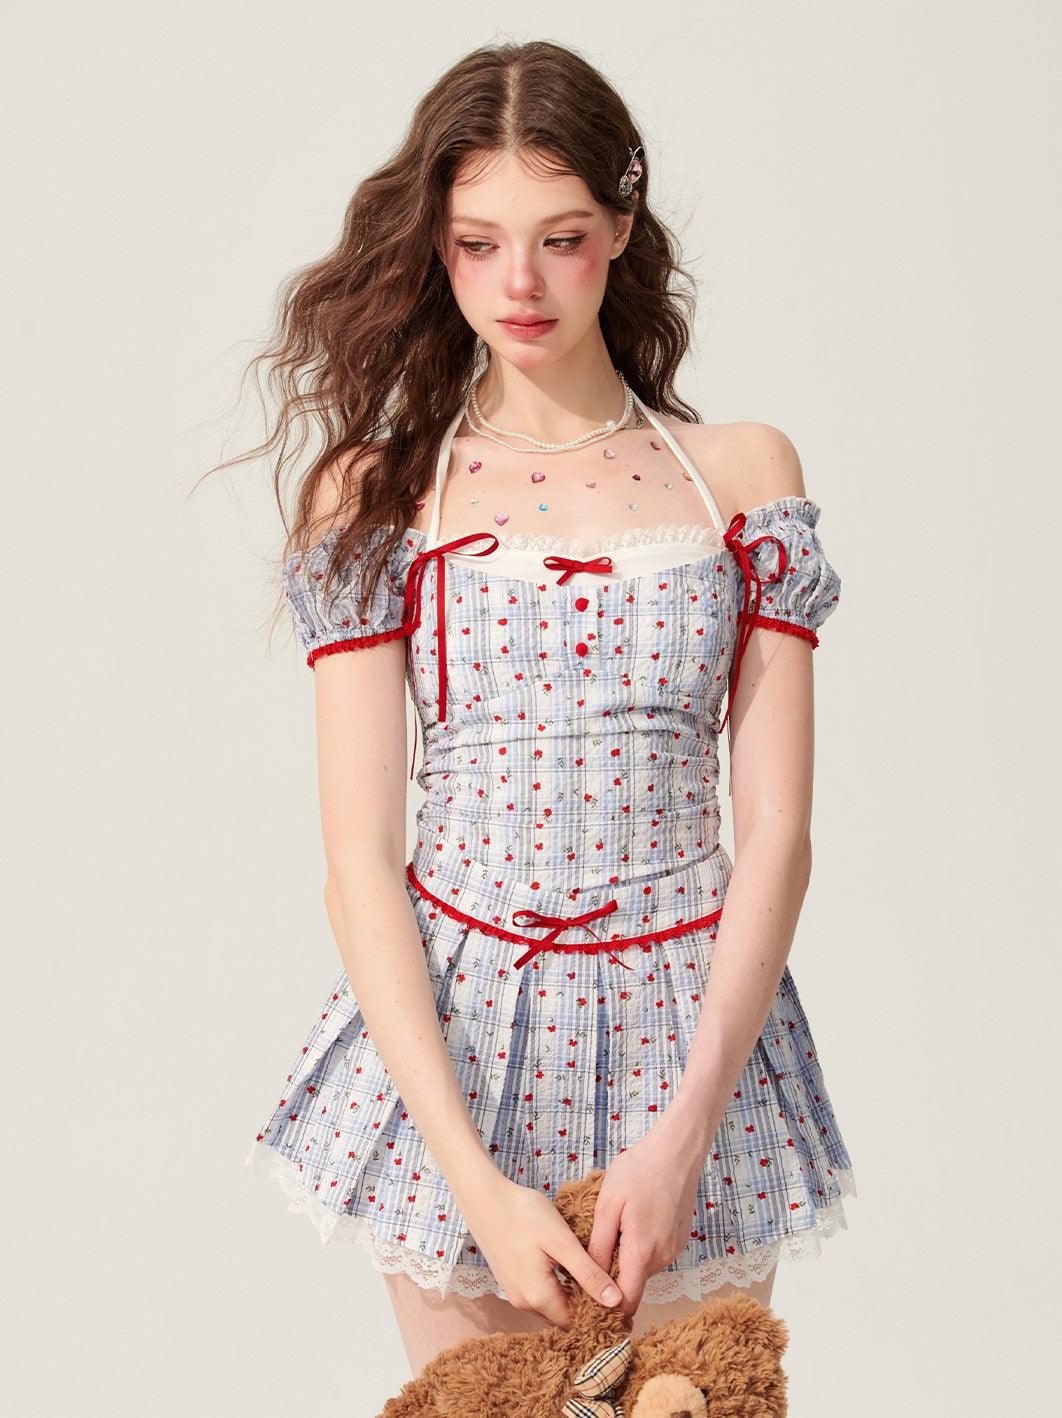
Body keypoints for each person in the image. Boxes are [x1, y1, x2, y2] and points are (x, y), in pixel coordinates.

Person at [240, 38, 856, 1378]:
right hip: (457, 1057)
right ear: (439, 245)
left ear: (621, 230)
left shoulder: (741, 474)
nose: (518, 283)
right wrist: (469, 1177)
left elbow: (777, 830)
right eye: (478, 243)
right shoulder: (376, 493)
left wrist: (687, 1130)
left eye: (561, 238)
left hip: (695, 1043)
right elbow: (359, 861)